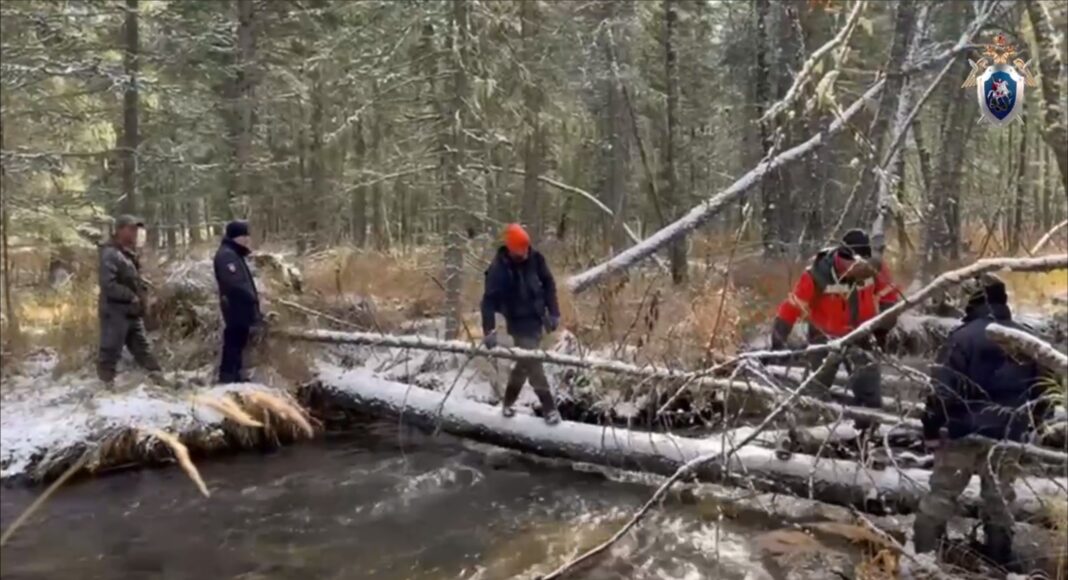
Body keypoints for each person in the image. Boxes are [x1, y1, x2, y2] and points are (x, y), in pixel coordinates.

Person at [913, 274, 1047, 570]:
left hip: (962, 432)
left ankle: (921, 559)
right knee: (999, 501)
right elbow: (1042, 390)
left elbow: (941, 391)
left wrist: (931, 431)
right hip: (1008, 436)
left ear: (973, 300)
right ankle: (999, 564)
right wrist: (1034, 426)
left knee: (942, 495)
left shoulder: (961, 338)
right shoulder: (1025, 338)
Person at [770, 229, 900, 420]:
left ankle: (869, 431)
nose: (859, 269)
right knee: (815, 391)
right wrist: (778, 341)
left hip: (862, 334)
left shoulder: (874, 269)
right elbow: (792, 307)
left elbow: (889, 296)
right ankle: (808, 430)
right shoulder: (817, 274)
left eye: (863, 264)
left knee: (869, 392)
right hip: (824, 337)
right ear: (843, 258)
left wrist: (883, 328)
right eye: (855, 264)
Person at [481, 223, 562, 425]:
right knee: (533, 363)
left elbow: (549, 284)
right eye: (520, 251)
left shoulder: (536, 259)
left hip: (536, 318)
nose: (524, 254)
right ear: (510, 249)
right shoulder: (499, 269)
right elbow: (488, 301)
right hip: (517, 322)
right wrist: (488, 330)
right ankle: (549, 408)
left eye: (526, 249)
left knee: (524, 365)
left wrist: (554, 313)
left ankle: (508, 403)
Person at [97, 215, 163, 385]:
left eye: (137, 229)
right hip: (115, 311)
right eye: (131, 229)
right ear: (120, 230)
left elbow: (131, 278)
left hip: (132, 311)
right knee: (110, 350)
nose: (135, 233)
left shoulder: (127, 254)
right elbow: (108, 284)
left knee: (142, 348)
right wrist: (131, 296)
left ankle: (158, 379)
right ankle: (105, 386)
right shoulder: (110, 254)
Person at [213, 220, 261, 383]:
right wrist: (251, 298)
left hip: (241, 306)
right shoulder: (227, 255)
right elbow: (234, 282)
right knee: (233, 341)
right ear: (235, 237)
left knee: (239, 341)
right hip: (235, 306)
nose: (247, 239)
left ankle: (235, 375)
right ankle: (228, 377)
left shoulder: (234, 253)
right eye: (244, 235)